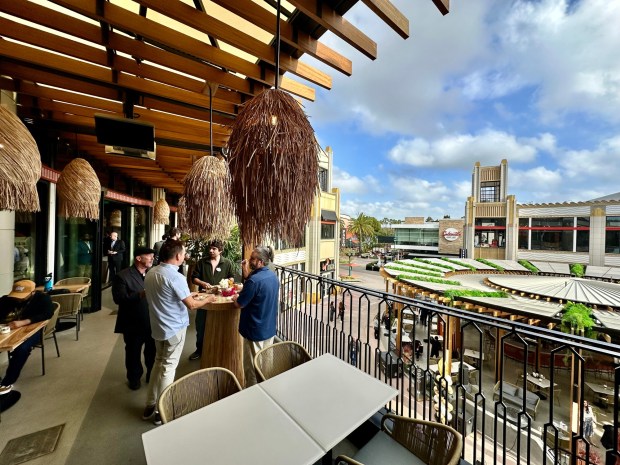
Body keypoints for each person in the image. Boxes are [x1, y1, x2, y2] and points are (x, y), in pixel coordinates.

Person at [142, 240, 216, 424]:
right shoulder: (175, 277)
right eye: (183, 253)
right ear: (177, 256)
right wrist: (208, 300)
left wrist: (192, 295)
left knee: (158, 364)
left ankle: (149, 404)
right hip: (174, 328)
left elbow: (167, 296)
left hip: (158, 326)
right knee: (168, 369)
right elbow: (191, 306)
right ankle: (162, 410)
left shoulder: (151, 273)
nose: (185, 256)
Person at [231, 246, 279, 387]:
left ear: (260, 262)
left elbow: (239, 304)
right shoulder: (272, 276)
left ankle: (252, 392)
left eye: (252, 258)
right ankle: (267, 387)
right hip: (269, 328)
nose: (250, 260)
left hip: (254, 329)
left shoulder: (254, 281)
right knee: (266, 363)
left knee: (251, 366)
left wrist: (235, 298)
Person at [112, 247, 157, 391]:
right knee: (133, 352)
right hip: (132, 322)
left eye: (153, 256)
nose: (152, 258)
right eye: (149, 256)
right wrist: (141, 294)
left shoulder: (153, 274)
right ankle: (134, 378)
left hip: (151, 321)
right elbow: (119, 299)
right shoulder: (122, 276)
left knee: (152, 351)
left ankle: (151, 374)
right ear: (138, 258)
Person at [0, 280, 53, 396]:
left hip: (35, 329)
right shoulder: (8, 300)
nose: (18, 299)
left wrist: (24, 322)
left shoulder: (43, 299)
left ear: (32, 292)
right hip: (8, 330)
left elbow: (48, 314)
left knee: (22, 348)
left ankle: (7, 382)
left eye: (22, 296)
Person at [189, 240, 235, 361]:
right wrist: (203, 283)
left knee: (220, 323)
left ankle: (218, 349)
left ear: (220, 250)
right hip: (203, 297)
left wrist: (227, 283)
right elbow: (194, 278)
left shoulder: (227, 263)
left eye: (214, 249)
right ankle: (199, 350)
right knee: (201, 324)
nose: (211, 250)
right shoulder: (202, 262)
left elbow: (231, 277)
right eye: (210, 248)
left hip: (220, 297)